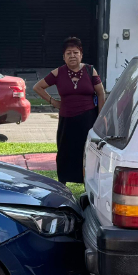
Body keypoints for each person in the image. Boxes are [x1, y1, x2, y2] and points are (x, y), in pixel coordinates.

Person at [32, 36, 106, 184]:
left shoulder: (90, 70)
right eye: (68, 53)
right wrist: (53, 101)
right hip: (67, 121)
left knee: (87, 153)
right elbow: (37, 87)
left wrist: (101, 116)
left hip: (88, 120)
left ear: (81, 55)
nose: (72, 56)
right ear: (64, 57)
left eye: (75, 52)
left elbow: (101, 93)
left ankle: (88, 183)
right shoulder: (58, 73)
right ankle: (63, 185)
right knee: (65, 154)